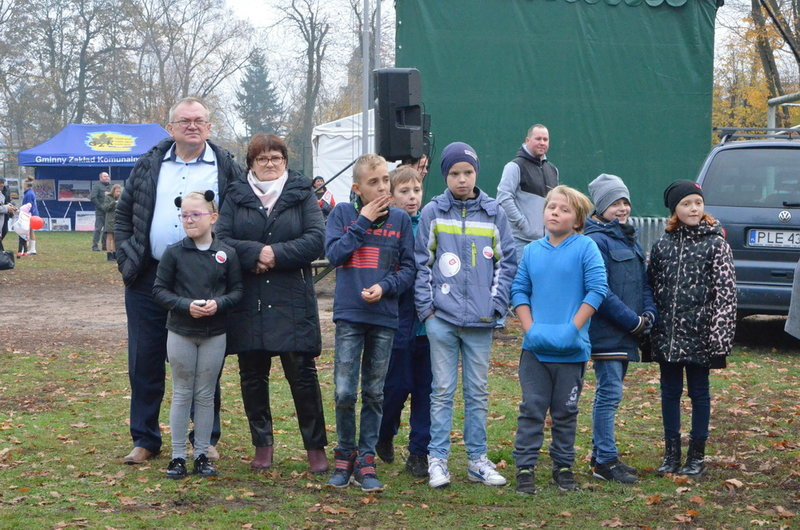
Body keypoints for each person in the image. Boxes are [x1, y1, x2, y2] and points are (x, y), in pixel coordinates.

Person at [115, 96, 242, 465]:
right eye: (184, 120)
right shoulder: (149, 163)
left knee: (205, 360)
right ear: (170, 127)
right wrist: (127, 258)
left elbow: (235, 218)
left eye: (199, 120)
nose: (192, 126)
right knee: (144, 359)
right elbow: (124, 215)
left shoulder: (224, 167)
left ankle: (204, 438)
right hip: (149, 274)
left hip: (203, 277)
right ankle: (145, 438)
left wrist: (223, 263)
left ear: (209, 126)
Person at [216, 134, 330, 474]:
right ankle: (262, 445)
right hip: (249, 298)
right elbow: (222, 238)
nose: (269, 163)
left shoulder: (301, 193)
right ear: (251, 163)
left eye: (276, 158)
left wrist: (275, 254)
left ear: (285, 161)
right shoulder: (236, 195)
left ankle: (315, 448)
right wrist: (254, 253)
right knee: (252, 376)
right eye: (262, 158)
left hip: (291, 298)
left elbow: (315, 239)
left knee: (303, 377)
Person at [415, 142, 517, 489]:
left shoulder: (494, 213)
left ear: (476, 173)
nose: (462, 179)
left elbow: (508, 264)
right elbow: (421, 264)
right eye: (455, 173)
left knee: (477, 392)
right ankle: (438, 460)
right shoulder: (432, 212)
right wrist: (427, 311)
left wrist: (496, 306)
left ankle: (476, 460)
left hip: (480, 323)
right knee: (441, 390)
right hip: (441, 320)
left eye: (467, 172)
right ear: (446, 176)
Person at [324, 153, 415, 493]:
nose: (381, 188)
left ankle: (366, 458)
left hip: (384, 317)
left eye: (384, 181)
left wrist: (386, 287)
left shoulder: (401, 221)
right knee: (345, 391)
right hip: (350, 316)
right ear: (357, 187)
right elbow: (334, 255)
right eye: (373, 182)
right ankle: (345, 455)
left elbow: (409, 268)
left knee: (374, 393)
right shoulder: (342, 214)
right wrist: (362, 221)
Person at [511, 185, 607, 495]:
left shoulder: (586, 248)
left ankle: (563, 467)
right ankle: (525, 468)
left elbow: (597, 290)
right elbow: (519, 291)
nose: (555, 212)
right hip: (535, 352)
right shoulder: (532, 251)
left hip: (571, 352)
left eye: (564, 209)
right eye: (551, 206)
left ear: (577, 220)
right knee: (532, 408)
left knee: (565, 412)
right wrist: (530, 329)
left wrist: (572, 327)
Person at [647, 180, 736, 477]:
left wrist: (719, 336)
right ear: (675, 209)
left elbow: (726, 293)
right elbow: (652, 286)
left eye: (697, 202)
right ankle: (671, 453)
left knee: (699, 393)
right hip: (668, 335)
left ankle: (696, 455)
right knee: (669, 392)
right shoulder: (662, 246)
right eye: (686, 204)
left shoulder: (716, 244)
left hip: (702, 335)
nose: (694, 208)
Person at [152, 190, 243, 479]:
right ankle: (178, 455)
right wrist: (184, 306)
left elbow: (237, 290)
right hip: (180, 331)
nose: (189, 220)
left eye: (195, 214)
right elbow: (159, 290)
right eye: (184, 215)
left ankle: (202, 453)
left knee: (205, 394)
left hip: (215, 333)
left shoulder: (227, 253)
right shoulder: (174, 252)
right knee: (181, 392)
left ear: (213, 217)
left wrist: (220, 304)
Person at [584, 174, 657, 484]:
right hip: (607, 333)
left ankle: (600, 454)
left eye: (625, 201)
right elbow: (601, 293)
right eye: (615, 203)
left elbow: (643, 283)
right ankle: (605, 461)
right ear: (601, 207)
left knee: (612, 393)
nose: (622, 208)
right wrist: (633, 321)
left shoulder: (630, 239)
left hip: (628, 332)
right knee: (609, 393)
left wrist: (649, 313)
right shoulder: (595, 241)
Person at [375, 167, 431, 478]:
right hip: (395, 319)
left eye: (417, 191)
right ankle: (384, 434)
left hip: (427, 323)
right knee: (395, 387)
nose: (412, 197)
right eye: (404, 191)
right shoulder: (386, 226)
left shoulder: (429, 223)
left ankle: (419, 452)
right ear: (391, 195)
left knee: (426, 389)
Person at [496, 124, 559, 261]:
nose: (542, 143)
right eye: (538, 139)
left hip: (547, 244)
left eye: (545, 139)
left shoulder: (553, 170)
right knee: (521, 282)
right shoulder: (514, 167)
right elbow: (504, 198)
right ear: (527, 140)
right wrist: (523, 225)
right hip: (521, 243)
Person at [91, 172, 112, 251]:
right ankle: (95, 246)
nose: (107, 177)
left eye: (107, 176)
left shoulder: (111, 186)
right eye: (105, 176)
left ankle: (104, 245)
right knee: (98, 229)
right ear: (100, 178)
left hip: (109, 211)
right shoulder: (97, 186)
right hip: (100, 211)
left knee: (107, 229)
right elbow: (93, 197)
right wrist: (100, 207)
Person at [104, 185, 122, 261]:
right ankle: (109, 254)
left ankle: (115, 254)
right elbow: (106, 208)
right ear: (113, 191)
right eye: (117, 191)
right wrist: (114, 202)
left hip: (117, 220)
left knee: (115, 238)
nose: (118, 193)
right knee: (109, 238)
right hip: (109, 220)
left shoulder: (120, 198)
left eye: (119, 191)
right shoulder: (108, 197)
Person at [20, 178, 38, 256]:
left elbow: (28, 206)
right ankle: (32, 249)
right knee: (30, 231)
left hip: (29, 215)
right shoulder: (30, 193)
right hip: (32, 214)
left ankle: (25, 249)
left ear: (26, 185)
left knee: (25, 232)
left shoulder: (28, 194)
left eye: (23, 184)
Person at [0, 178, 17, 252]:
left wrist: (11, 206)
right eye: (0, 183)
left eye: (2, 182)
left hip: (4, 217)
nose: (2, 184)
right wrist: (7, 208)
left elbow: (7, 201)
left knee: (4, 231)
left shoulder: (5, 190)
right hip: (2, 214)